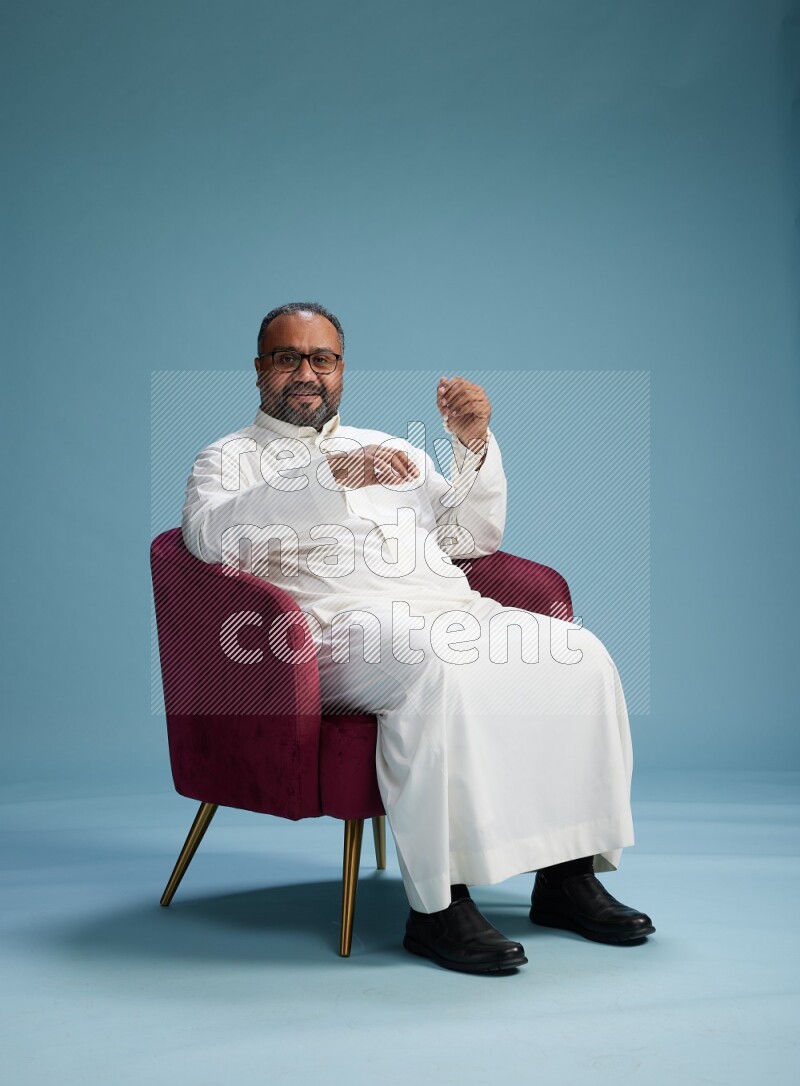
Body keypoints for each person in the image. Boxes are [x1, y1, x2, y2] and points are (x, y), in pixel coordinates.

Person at [181, 300, 655, 974]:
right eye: (289, 358)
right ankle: (439, 907)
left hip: (445, 608)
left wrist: (471, 446)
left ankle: (567, 876)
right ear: (260, 368)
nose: (307, 372)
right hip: (332, 632)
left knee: (580, 654)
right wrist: (325, 478)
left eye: (323, 358)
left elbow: (470, 538)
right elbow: (208, 539)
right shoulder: (227, 459)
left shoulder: (394, 448)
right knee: (436, 665)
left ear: (342, 369)